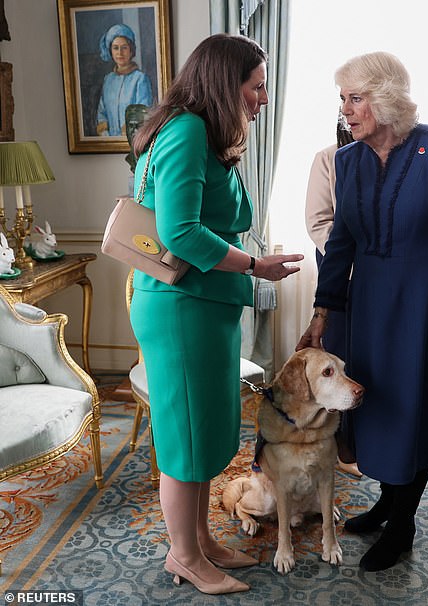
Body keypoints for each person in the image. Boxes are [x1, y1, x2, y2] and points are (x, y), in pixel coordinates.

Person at [297, 51, 428, 572]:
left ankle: (403, 523)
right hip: (371, 308)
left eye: (355, 99)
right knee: (376, 409)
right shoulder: (348, 160)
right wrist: (321, 314)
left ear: (384, 100)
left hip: (427, 306)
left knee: (416, 411)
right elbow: (339, 246)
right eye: (343, 100)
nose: (347, 111)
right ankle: (386, 501)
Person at [129, 34, 303, 595]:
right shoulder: (185, 131)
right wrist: (255, 265)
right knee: (184, 440)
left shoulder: (197, 129)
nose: (263, 98)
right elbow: (178, 231)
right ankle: (183, 556)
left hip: (204, 307)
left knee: (202, 433)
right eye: (256, 86)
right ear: (227, 85)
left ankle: (200, 539)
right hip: (183, 311)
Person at [304, 113, 360, 477]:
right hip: (341, 278)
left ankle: (370, 441)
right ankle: (342, 446)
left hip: (384, 282)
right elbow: (318, 221)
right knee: (340, 358)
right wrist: (350, 258)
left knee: (370, 363)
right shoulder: (327, 158)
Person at [96, 23, 153, 137]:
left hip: (134, 142)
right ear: (110, 51)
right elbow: (101, 113)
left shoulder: (140, 79)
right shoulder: (108, 80)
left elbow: (144, 114)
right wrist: (106, 136)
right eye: (115, 48)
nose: (120, 53)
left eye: (124, 47)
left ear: (131, 50)